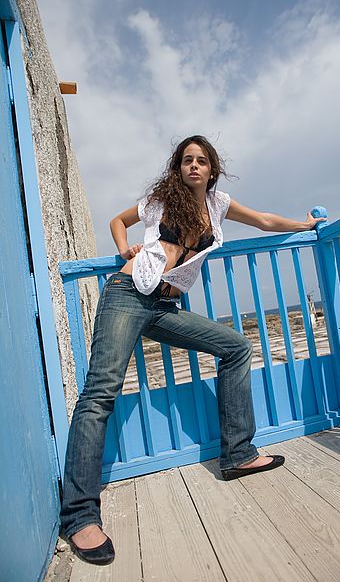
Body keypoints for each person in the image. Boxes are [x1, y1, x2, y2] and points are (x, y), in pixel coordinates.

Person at [60, 135, 326, 565]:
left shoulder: (218, 205)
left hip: (165, 307)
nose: (194, 166)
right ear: (178, 167)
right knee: (100, 394)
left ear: (212, 168)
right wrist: (121, 247)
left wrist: (306, 225)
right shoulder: (160, 199)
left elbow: (262, 220)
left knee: (236, 346)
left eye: (202, 160)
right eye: (187, 160)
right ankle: (79, 515)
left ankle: (238, 454)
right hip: (127, 294)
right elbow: (117, 220)